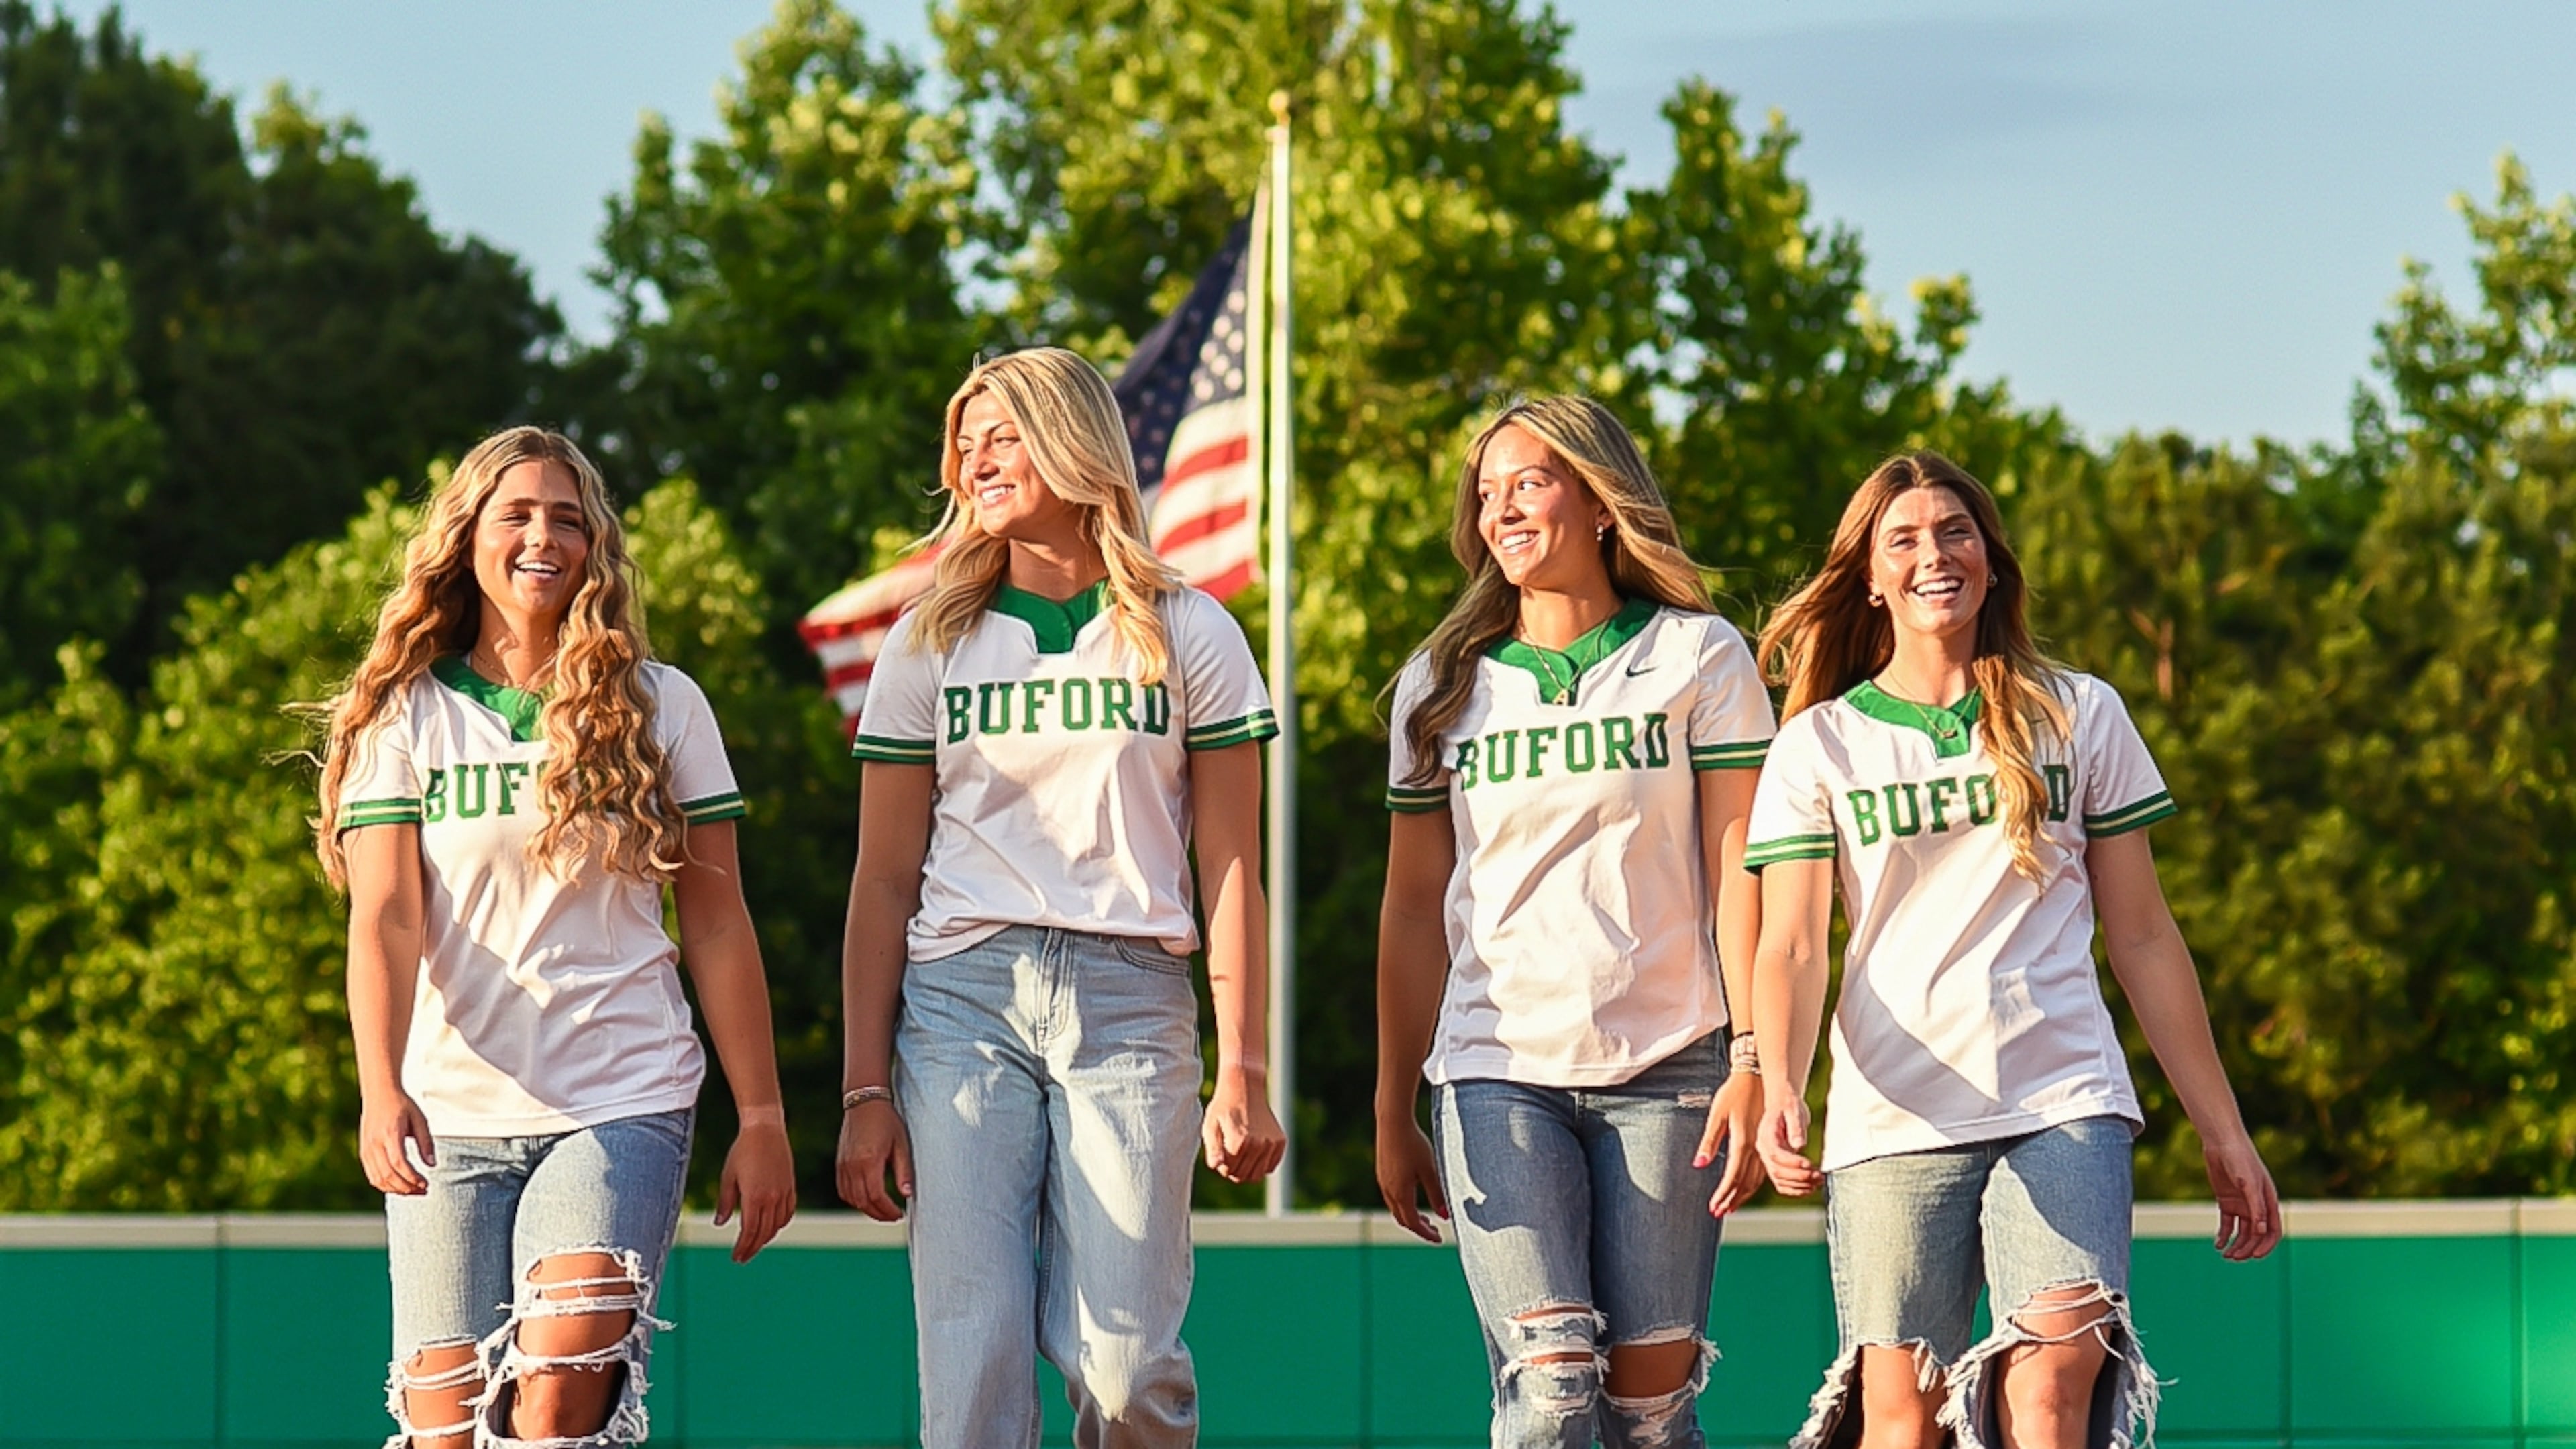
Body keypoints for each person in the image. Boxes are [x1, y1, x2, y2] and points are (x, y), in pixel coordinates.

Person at [1743, 451, 2282, 1449]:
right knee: (1904, 1422)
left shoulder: (2079, 712)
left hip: (2062, 1097)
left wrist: (2224, 1130)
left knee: (2049, 1390)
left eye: (1956, 532)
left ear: (1992, 561)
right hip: (1896, 1114)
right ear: (1870, 577)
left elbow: (2145, 935)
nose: (1934, 555)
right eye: (1903, 540)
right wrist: (1781, 1080)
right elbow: (1792, 944)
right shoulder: (1820, 745)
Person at [833, 347, 1286, 1448]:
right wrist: (862, 1088)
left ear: (1075, 442)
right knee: (974, 1364)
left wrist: (1245, 1065)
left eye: (1006, 437)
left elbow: (1233, 863)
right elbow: (883, 878)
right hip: (960, 1002)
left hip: (1133, 1000)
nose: (979, 462)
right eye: (967, 445)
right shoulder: (927, 640)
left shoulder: (1189, 629)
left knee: (1128, 1373)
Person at [316, 425, 796, 1449]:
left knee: (558, 1391)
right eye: (518, 515)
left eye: (568, 520)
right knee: (448, 1431)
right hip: (450, 1117)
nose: (545, 537)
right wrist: (379, 1087)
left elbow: (718, 922)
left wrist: (761, 1115)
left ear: (595, 548)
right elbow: (387, 917)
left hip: (620, 1097)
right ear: (467, 541)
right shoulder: (406, 716)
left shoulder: (663, 705)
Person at [1374, 396, 1776, 1447]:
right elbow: (1412, 907)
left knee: (1648, 1415)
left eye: (1530, 483)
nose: (1502, 509)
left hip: (1672, 1069)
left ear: (1600, 502)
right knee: (1551, 1388)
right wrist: (1391, 1103)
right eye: (1487, 493)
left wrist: (1756, 1057)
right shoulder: (1440, 684)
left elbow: (1743, 873)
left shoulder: (1700, 656)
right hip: (1495, 1070)